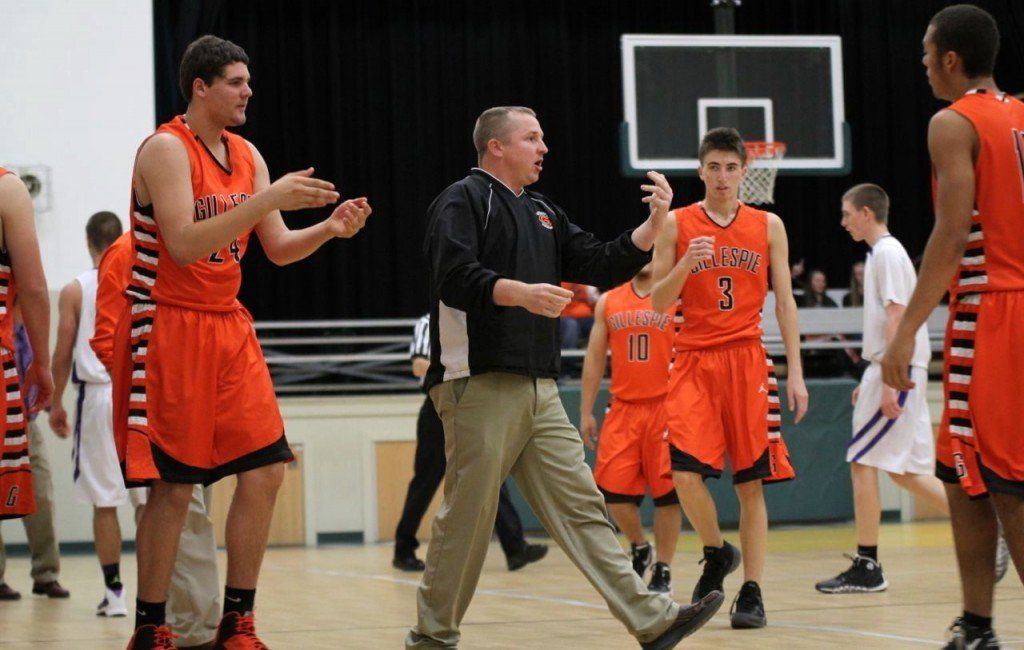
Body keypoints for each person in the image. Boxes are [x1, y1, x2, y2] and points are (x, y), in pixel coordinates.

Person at [410, 106, 722, 649]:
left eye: (543, 137)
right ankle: (432, 637)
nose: (543, 147)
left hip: (540, 387)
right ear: (496, 147)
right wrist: (521, 292)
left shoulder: (543, 210)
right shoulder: (462, 200)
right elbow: (453, 278)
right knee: (467, 518)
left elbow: (601, 261)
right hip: (477, 383)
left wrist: (653, 225)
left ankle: (651, 619)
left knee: (582, 506)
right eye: (532, 138)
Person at [118, 35, 372, 649]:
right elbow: (183, 244)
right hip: (172, 324)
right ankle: (152, 626)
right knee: (174, 489)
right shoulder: (164, 149)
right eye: (235, 81)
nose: (247, 90)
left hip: (228, 325)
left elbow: (279, 249)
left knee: (266, 473)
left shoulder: (248, 153)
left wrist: (329, 231)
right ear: (200, 87)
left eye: (247, 80)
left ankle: (240, 620)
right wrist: (267, 198)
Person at [882, 6, 1024, 648]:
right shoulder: (1021, 114)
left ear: (949, 60)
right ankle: (976, 624)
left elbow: (951, 228)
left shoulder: (953, 121)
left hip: (995, 311)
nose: (921, 64)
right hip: (1006, 307)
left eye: (925, 52)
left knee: (1007, 481)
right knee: (959, 472)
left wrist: (907, 329)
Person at [651, 127, 808, 629]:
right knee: (682, 474)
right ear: (700, 170)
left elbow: (785, 302)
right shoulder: (676, 224)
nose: (721, 176)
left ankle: (753, 591)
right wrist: (684, 268)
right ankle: (717, 551)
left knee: (750, 484)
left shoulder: (769, 225)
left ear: (745, 172)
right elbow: (656, 301)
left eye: (730, 167)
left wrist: (797, 373)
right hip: (693, 359)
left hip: (747, 360)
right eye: (713, 167)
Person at [815, 184, 951, 593]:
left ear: (867, 213)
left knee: (862, 460)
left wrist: (889, 376)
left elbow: (897, 315)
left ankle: (868, 565)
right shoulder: (884, 254)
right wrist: (873, 377)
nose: (843, 222)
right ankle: (992, 529)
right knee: (906, 473)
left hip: (898, 366)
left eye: (846, 213)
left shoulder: (887, 253)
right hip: (891, 365)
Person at [94, 231, 221, 647]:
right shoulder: (126, 252)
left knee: (187, 515)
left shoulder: (206, 244)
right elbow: (107, 336)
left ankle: (167, 623)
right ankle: (194, 629)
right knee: (181, 514)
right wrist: (145, 394)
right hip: (150, 404)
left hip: (197, 399)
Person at [393, 313, 548, 572]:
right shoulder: (427, 323)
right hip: (438, 407)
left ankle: (515, 548)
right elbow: (419, 365)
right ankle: (403, 548)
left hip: (470, 406)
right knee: (426, 481)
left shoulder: (473, 322)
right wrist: (456, 370)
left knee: (490, 475)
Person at [46, 211, 129, 615]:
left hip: (96, 398)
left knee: (105, 501)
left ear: (88, 241)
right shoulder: (139, 280)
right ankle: (157, 595)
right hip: (137, 393)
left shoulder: (76, 290)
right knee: (152, 501)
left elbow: (62, 353)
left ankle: (115, 594)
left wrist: (55, 401)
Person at [580, 263, 680, 594]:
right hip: (623, 408)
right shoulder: (609, 301)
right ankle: (639, 545)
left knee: (667, 497)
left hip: (665, 406)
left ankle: (663, 568)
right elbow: (594, 358)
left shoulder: (675, 296)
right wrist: (586, 411)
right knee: (613, 495)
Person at [0, 169, 55, 594]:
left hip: (20, 391)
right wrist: (44, 365)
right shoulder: (7, 188)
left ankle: (45, 571)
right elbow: (35, 286)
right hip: (11, 382)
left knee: (37, 479)